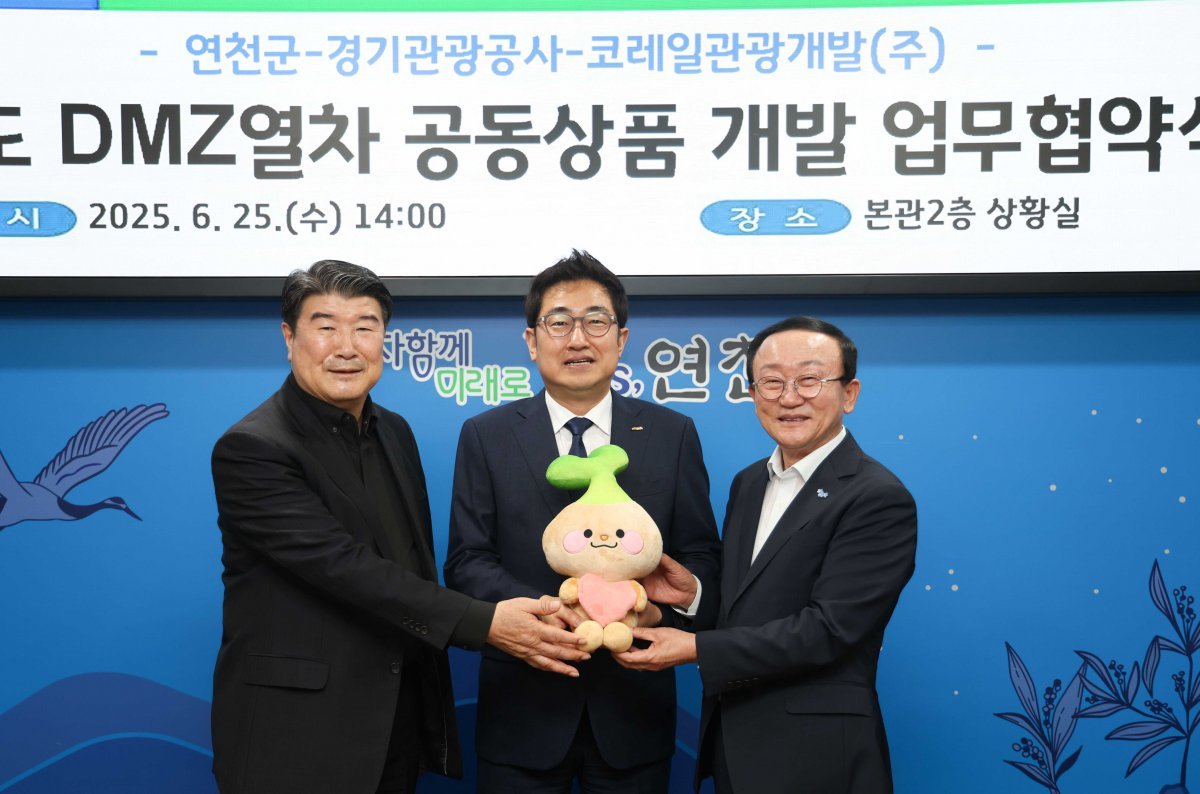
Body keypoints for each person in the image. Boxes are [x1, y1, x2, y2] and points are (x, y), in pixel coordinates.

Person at [210, 260, 589, 794]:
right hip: (296, 735)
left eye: (365, 327)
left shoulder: (394, 432)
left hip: (392, 723)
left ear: (384, 339)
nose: (347, 347)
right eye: (326, 327)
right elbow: (343, 568)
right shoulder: (253, 448)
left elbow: (412, 564)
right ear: (290, 338)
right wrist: (486, 623)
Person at [444, 250, 722, 792]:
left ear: (621, 338)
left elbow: (700, 554)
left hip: (634, 710)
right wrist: (552, 614)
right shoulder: (486, 435)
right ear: (532, 340)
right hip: (521, 707)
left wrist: (665, 610)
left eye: (596, 322)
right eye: (559, 322)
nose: (578, 339)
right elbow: (467, 560)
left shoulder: (671, 433)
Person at [616, 316, 918, 794]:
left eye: (810, 380)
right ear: (753, 393)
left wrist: (695, 649)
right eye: (772, 382)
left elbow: (829, 630)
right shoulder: (750, 482)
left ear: (849, 393)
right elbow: (749, 605)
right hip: (735, 744)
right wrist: (692, 596)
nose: (789, 397)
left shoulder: (877, 496)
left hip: (820, 755)